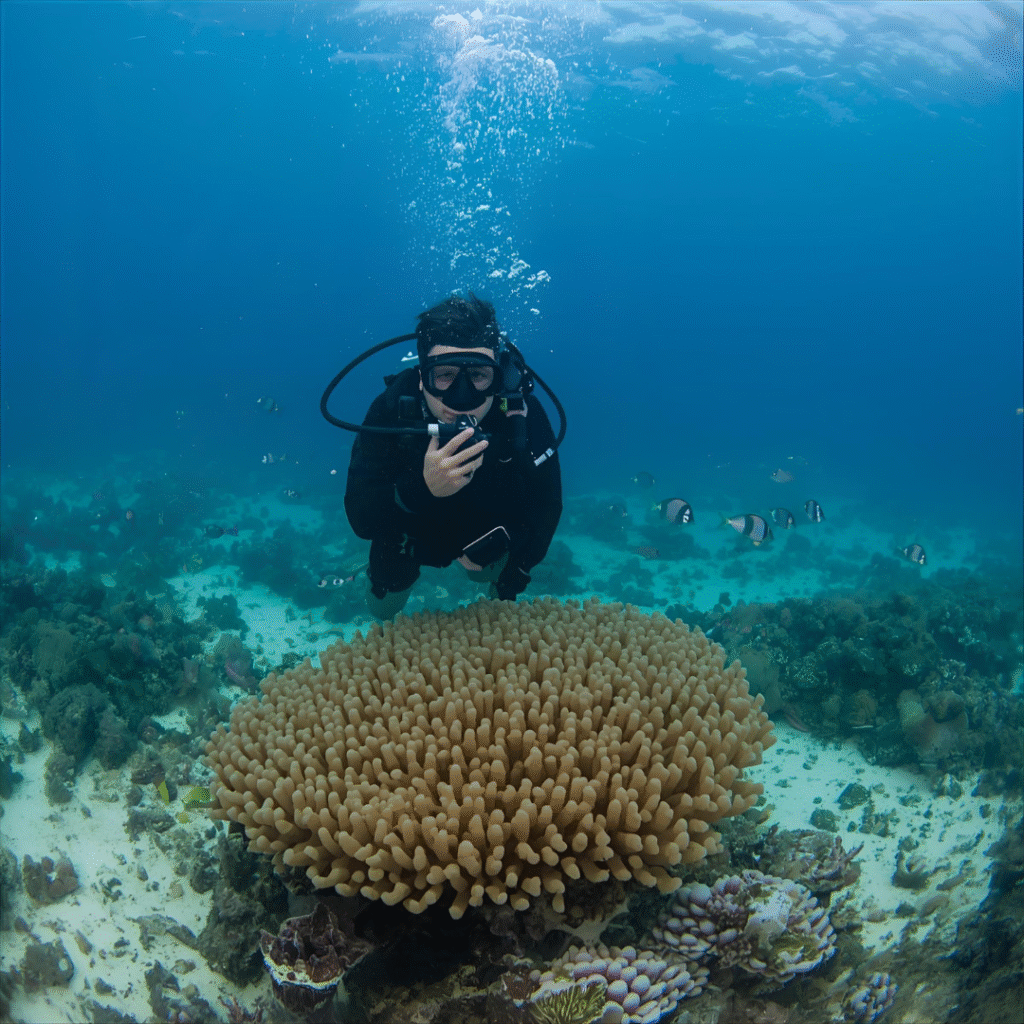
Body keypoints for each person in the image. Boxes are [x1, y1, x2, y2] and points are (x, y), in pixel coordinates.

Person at [344, 293, 562, 619]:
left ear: (497, 377)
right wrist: (420, 487)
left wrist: (521, 569)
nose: (462, 399)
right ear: (421, 379)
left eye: (478, 376)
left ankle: (491, 575)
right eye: (444, 375)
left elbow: (548, 502)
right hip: (410, 533)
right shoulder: (391, 410)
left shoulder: (520, 414)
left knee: (495, 586)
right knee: (382, 604)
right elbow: (361, 520)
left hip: (484, 535)